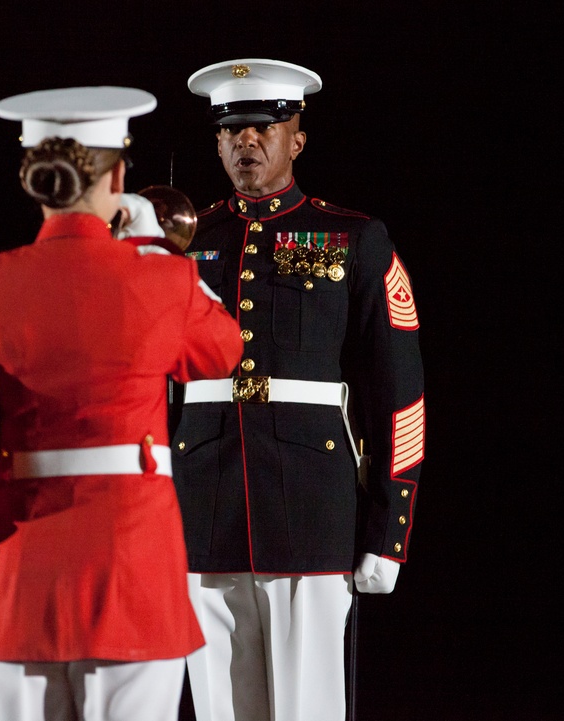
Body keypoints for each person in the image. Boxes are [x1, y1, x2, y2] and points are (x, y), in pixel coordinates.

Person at [0, 86, 244, 721]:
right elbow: (223, 350)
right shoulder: (160, 279)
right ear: (119, 173)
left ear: (34, 178)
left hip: (16, 589)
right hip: (135, 580)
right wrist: (153, 247)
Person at [169, 59, 426, 721]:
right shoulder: (183, 244)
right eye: (232, 131)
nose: (246, 142)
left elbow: (399, 392)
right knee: (217, 704)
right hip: (200, 508)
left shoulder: (355, 238)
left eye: (263, 127)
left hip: (313, 510)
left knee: (307, 707)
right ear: (217, 142)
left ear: (297, 138)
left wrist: (388, 529)